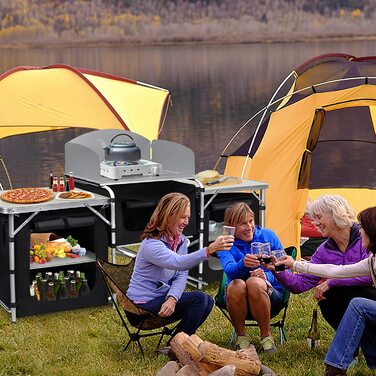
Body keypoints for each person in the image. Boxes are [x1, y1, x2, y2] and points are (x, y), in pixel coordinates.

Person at [278, 206, 376, 376]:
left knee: (359, 305)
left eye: (364, 228)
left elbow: (346, 277)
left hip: (369, 296)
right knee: (351, 303)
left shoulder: (365, 251)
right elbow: (335, 271)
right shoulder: (371, 260)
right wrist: (291, 265)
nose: (360, 232)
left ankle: (335, 369)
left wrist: (332, 283)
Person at [126, 192, 234, 342]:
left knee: (207, 301)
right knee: (199, 299)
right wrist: (209, 250)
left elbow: (181, 273)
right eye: (183, 217)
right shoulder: (151, 245)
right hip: (141, 306)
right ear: (168, 216)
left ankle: (175, 342)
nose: (186, 222)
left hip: (161, 299)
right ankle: (179, 343)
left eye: (188, 217)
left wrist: (172, 298)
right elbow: (179, 263)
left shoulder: (180, 241)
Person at [267, 194, 376, 331]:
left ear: (336, 214)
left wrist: (332, 282)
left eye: (319, 217)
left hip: (371, 294)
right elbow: (300, 284)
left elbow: (370, 276)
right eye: (314, 219)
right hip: (348, 298)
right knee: (329, 297)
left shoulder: (366, 237)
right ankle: (352, 344)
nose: (315, 223)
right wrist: (278, 270)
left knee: (339, 291)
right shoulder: (323, 250)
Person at [216, 202, 285, 353]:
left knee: (255, 282)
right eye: (243, 224)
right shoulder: (226, 243)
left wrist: (267, 275)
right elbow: (230, 271)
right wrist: (243, 264)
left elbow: (284, 268)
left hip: (271, 296)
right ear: (232, 227)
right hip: (236, 297)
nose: (249, 227)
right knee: (236, 285)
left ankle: (266, 337)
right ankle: (242, 339)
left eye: (251, 221)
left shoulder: (268, 236)